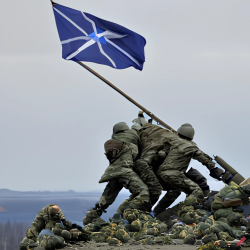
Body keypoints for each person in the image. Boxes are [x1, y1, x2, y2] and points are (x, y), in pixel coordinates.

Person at [83, 122, 150, 225]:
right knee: (143, 193)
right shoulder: (131, 135)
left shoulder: (115, 142)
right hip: (125, 172)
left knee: (105, 200)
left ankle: (90, 218)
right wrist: (141, 119)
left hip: (113, 173)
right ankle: (126, 213)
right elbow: (137, 127)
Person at [20, 204, 90, 250]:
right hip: (48, 235)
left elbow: (66, 225)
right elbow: (34, 227)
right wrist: (36, 239)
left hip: (57, 234)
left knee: (51, 241)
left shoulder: (59, 218)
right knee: (24, 243)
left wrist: (64, 221)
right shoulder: (43, 215)